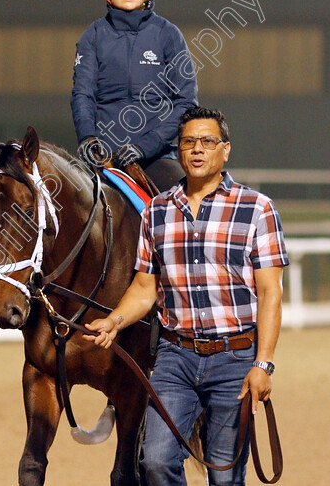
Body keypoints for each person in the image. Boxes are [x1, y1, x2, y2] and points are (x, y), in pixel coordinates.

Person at [82, 106, 289, 485]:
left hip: (235, 359)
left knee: (225, 476)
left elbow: (270, 292)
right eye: (189, 142)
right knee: (155, 463)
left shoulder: (257, 209)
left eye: (207, 142)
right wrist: (114, 320)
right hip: (175, 359)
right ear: (179, 151)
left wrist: (263, 364)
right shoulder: (157, 212)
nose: (197, 149)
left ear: (224, 150)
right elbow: (145, 288)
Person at [72, 0, 198, 192]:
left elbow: (185, 102)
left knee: (188, 203)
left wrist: (144, 147)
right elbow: (82, 95)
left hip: (157, 158)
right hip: (103, 157)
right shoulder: (92, 36)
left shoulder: (168, 34)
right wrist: (88, 138)